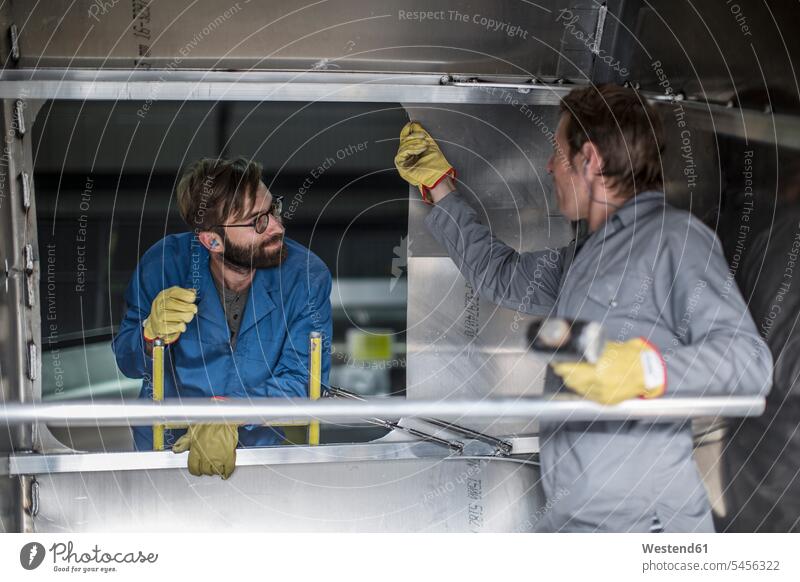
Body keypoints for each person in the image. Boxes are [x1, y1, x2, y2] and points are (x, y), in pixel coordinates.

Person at [394, 84, 773, 532]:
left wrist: (646, 371)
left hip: (647, 530)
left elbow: (750, 362)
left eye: (557, 153)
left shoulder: (673, 239)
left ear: (590, 160)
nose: (550, 165)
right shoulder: (583, 258)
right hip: (578, 524)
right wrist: (440, 189)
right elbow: (499, 274)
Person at [112, 157, 332, 479]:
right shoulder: (164, 265)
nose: (277, 227)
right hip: (169, 451)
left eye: (275, 210)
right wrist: (148, 337)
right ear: (211, 241)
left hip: (257, 455)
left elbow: (304, 381)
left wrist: (230, 412)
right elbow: (127, 362)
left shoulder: (307, 276)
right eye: (258, 222)